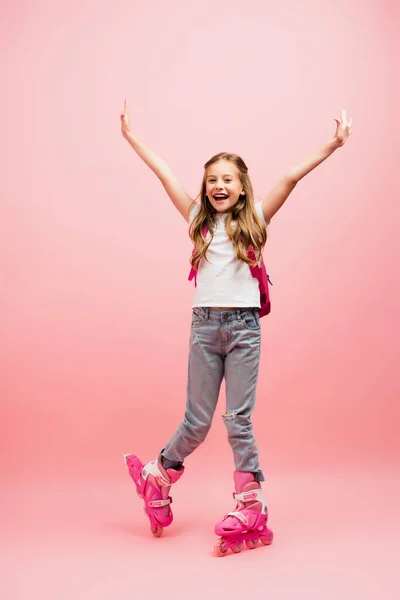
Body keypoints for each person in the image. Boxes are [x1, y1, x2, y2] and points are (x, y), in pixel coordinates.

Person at [121, 101, 352, 556]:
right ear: (205, 190)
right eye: (211, 180)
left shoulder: (256, 220)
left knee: (237, 419)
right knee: (197, 421)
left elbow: (289, 177)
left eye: (227, 179)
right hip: (205, 330)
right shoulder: (196, 221)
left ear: (242, 189)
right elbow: (164, 172)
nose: (218, 186)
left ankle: (250, 501)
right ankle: (158, 474)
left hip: (244, 330)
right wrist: (131, 137)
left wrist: (333, 143)